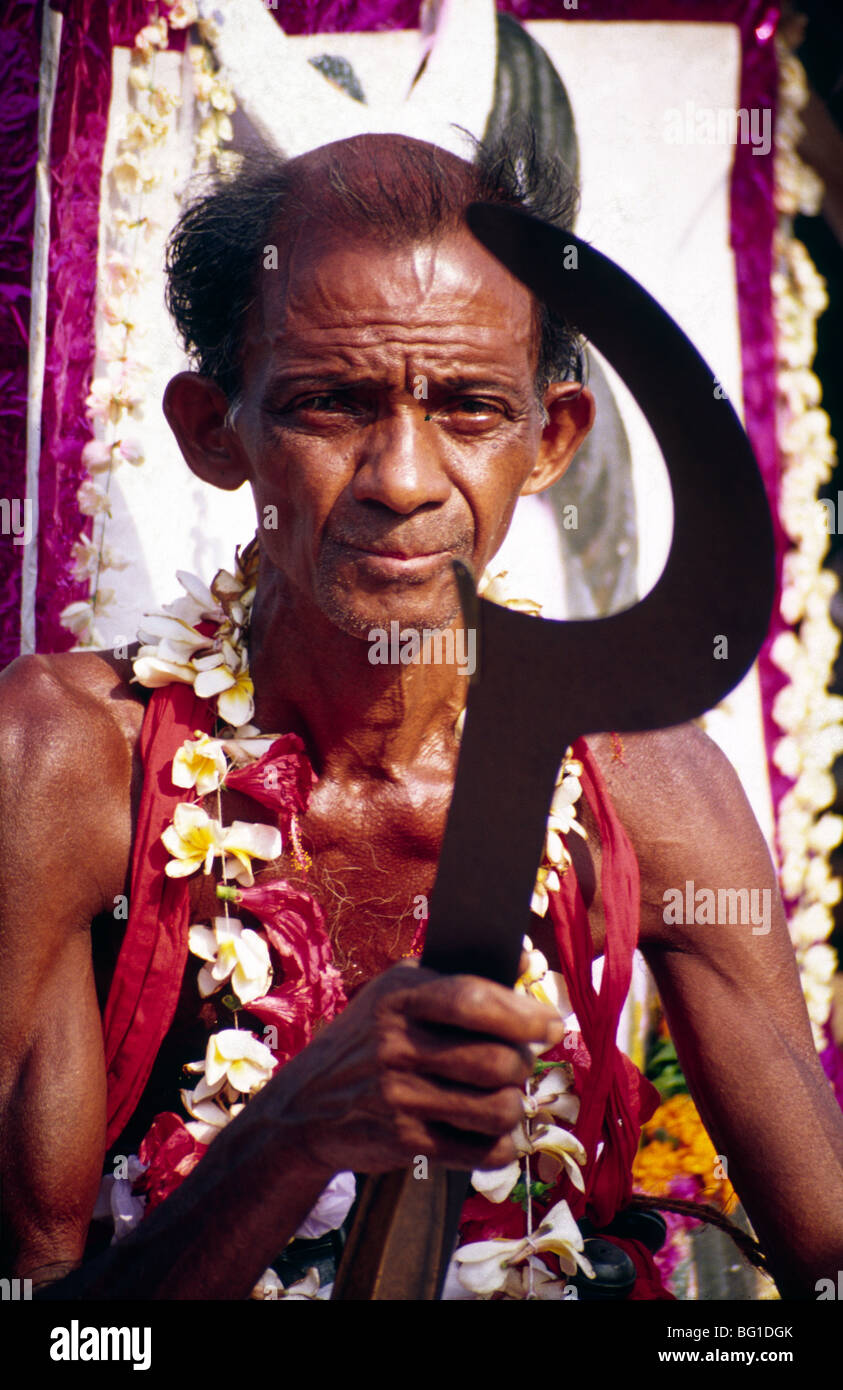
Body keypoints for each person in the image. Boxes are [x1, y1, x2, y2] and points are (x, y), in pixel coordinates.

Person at [1, 132, 841, 1302]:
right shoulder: (62, 761)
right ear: (213, 431)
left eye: (468, 408)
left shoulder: (647, 783)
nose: (403, 478)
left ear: (548, 441)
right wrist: (289, 1134)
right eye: (330, 403)